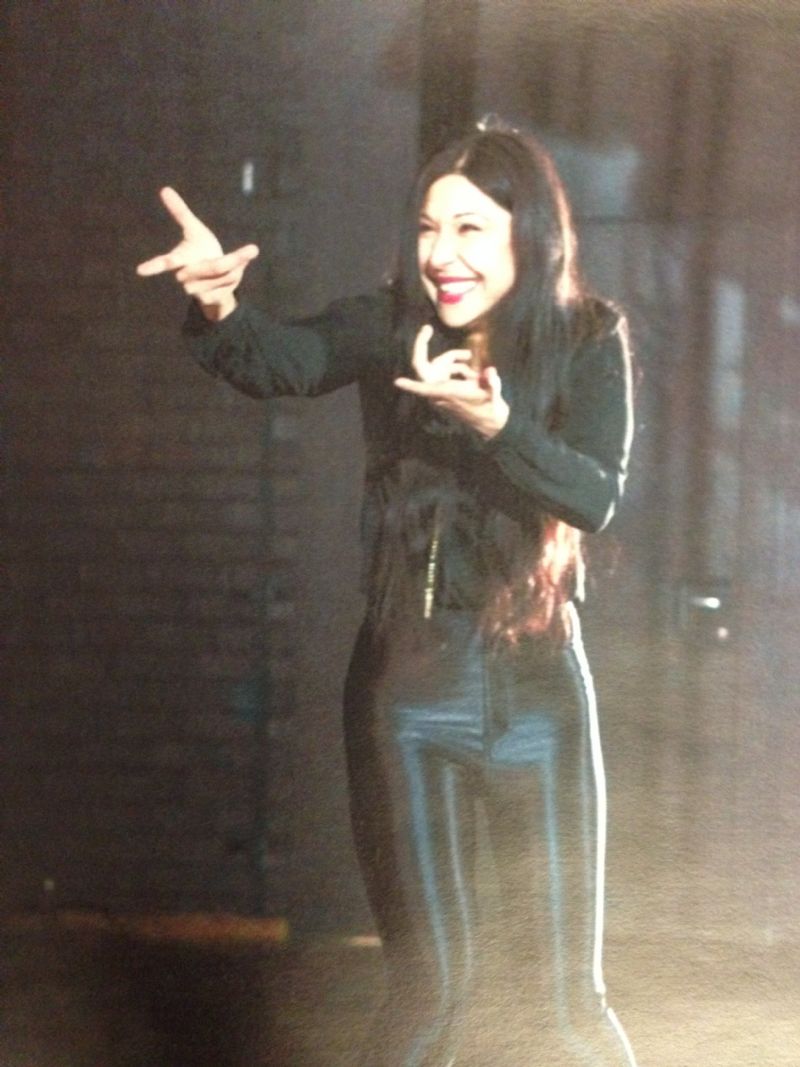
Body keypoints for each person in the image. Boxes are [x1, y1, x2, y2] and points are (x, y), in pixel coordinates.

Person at [138, 121, 637, 1067]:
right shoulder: (388, 324)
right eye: (428, 228)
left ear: (530, 235)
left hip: (540, 694)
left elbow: (594, 494)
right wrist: (218, 307)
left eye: (470, 229)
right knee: (433, 988)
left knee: (567, 1003)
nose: (442, 253)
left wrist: (497, 423)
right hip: (408, 695)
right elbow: (283, 359)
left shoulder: (585, 337)